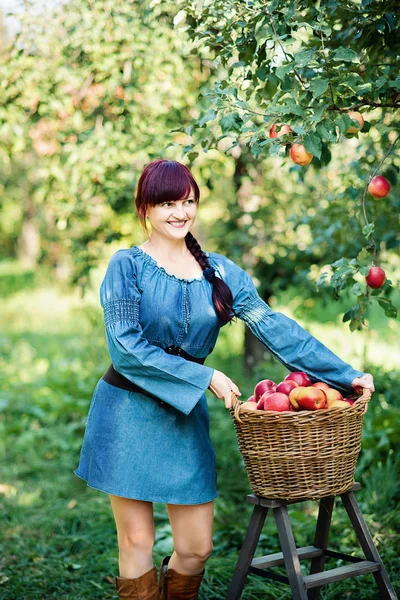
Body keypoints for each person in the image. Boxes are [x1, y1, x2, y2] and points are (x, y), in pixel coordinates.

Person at [73, 158, 374, 600]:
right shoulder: (127, 266)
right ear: (145, 209)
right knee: (135, 541)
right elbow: (125, 348)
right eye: (167, 203)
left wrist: (345, 376)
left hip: (182, 416)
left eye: (188, 201)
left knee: (196, 548)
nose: (179, 212)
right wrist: (205, 374)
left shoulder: (220, 273)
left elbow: (273, 327)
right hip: (127, 412)